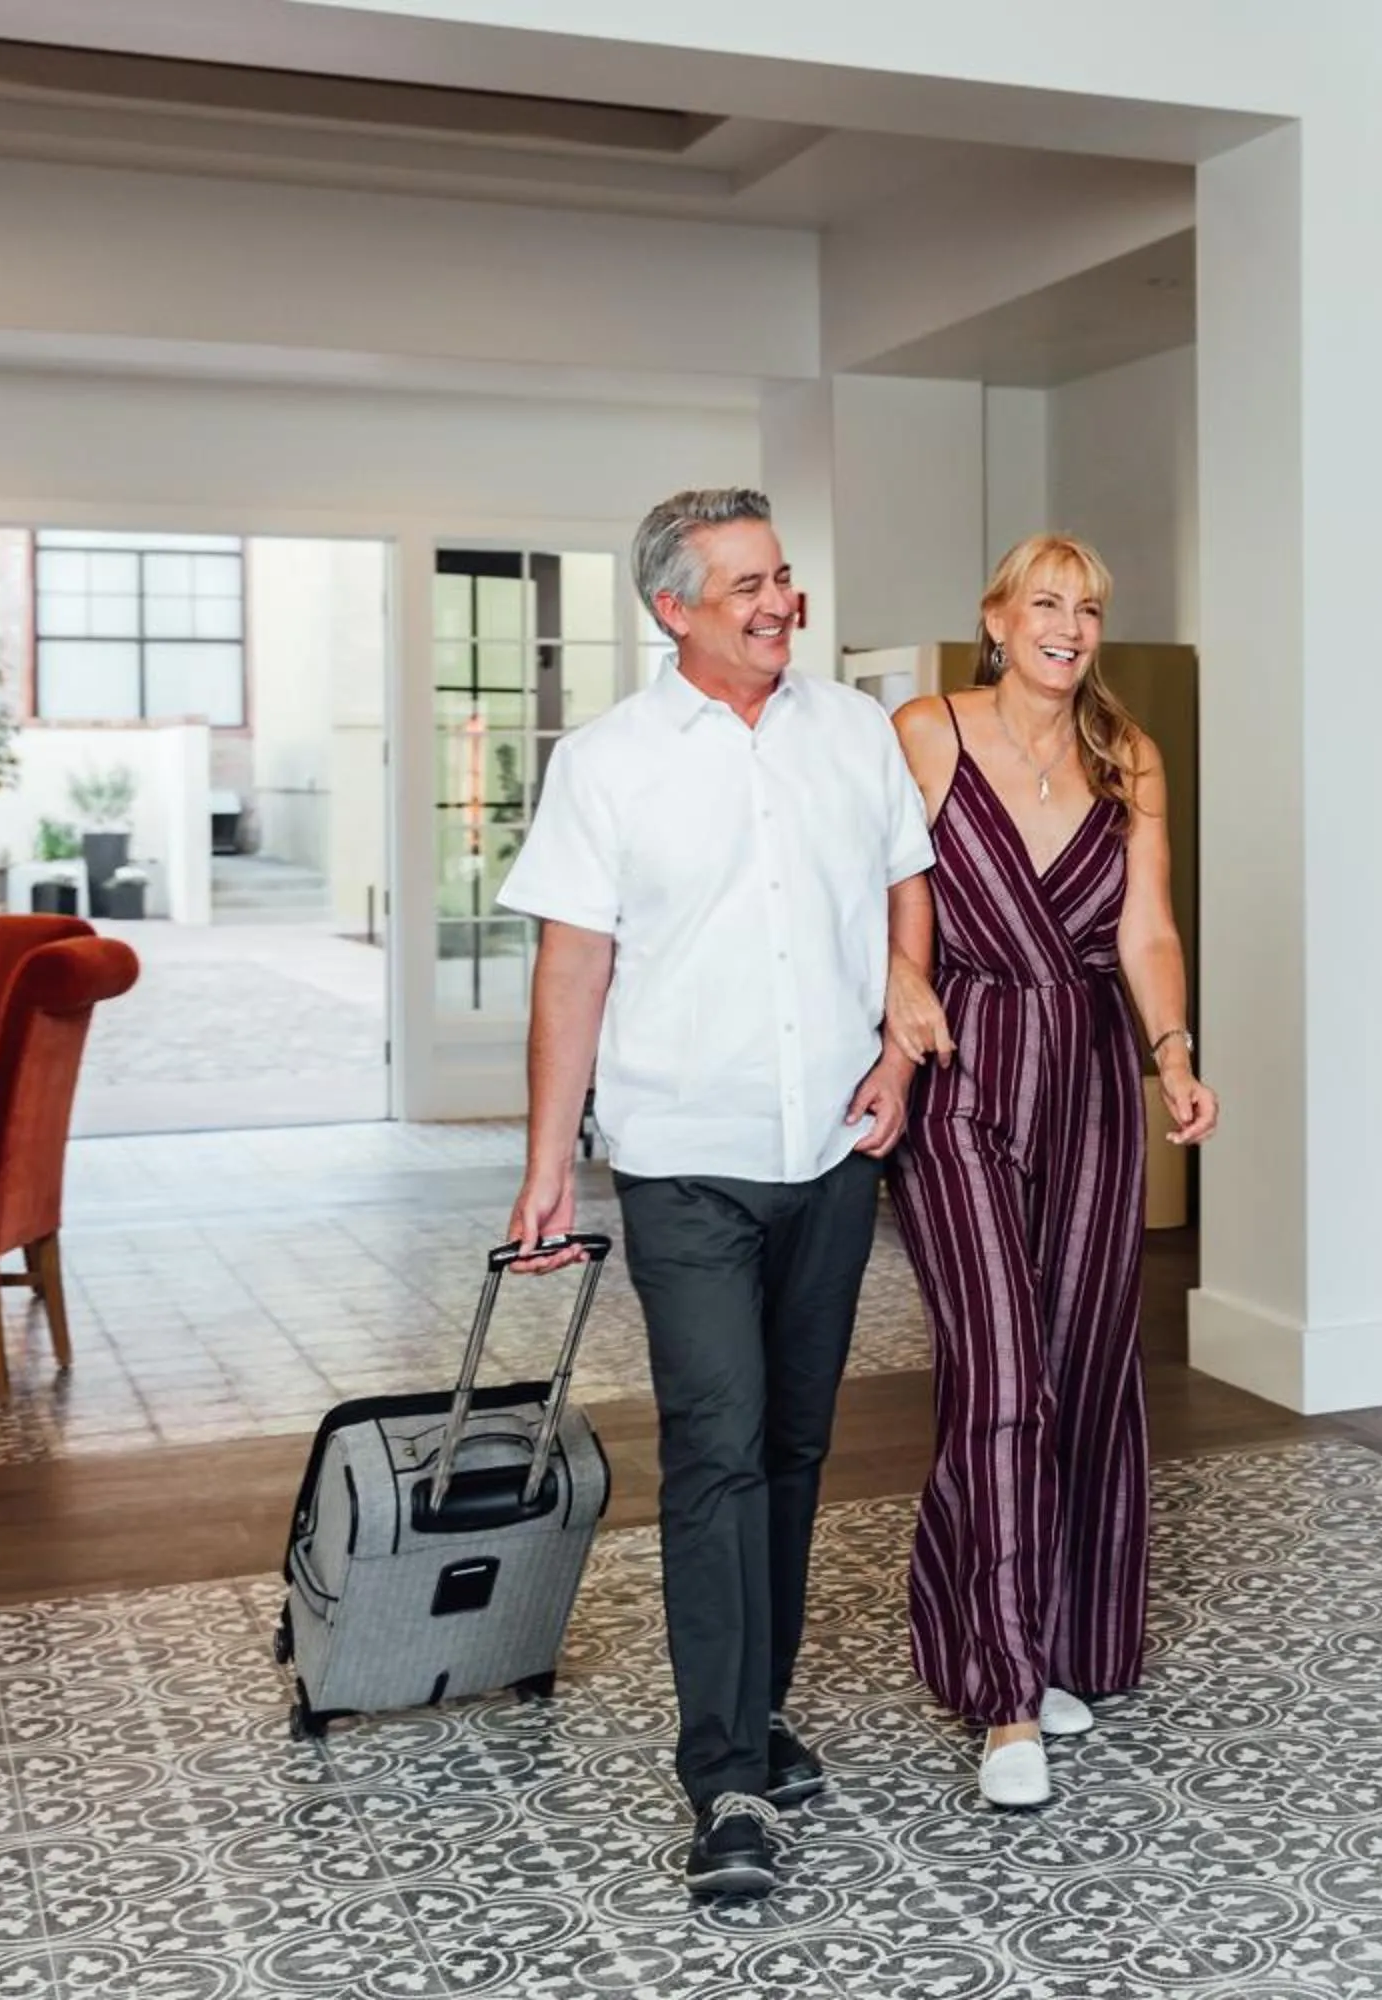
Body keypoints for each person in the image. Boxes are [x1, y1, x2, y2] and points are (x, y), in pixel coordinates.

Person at [498, 487, 946, 1899]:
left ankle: (757, 1711)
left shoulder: (849, 732)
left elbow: (902, 886)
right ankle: (725, 1780)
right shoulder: (611, 763)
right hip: (683, 1157)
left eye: (784, 577)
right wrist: (546, 1163)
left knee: (800, 1449)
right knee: (719, 1446)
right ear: (673, 609)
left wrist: (898, 1049)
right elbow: (571, 968)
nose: (778, 603)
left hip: (826, 1148)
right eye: (746, 584)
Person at [888, 532, 1218, 1808]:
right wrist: (897, 977)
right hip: (964, 1071)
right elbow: (862, 888)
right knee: (1002, 1368)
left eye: (1088, 605)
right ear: (995, 616)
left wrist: (1174, 1052)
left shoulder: (1128, 756)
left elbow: (1147, 926)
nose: (1069, 625)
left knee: (1082, 1366)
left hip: (1087, 1077)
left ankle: (1055, 1638)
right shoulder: (924, 729)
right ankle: (1006, 1694)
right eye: (1046, 602)